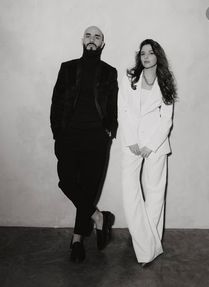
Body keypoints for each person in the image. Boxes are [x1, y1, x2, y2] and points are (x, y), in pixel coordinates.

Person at [50, 26, 118, 262]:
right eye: (88, 35)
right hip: (69, 136)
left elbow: (112, 106)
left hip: (97, 139)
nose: (92, 39)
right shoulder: (67, 68)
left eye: (97, 37)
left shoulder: (110, 72)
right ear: (82, 40)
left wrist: (110, 130)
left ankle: (77, 240)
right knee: (66, 182)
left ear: (102, 44)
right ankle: (99, 217)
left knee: (88, 188)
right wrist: (57, 132)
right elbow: (56, 101)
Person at [118, 39, 177, 267]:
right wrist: (132, 140)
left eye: (150, 53)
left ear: (157, 56)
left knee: (155, 194)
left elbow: (166, 119)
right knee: (130, 192)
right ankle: (147, 244)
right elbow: (122, 110)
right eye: (142, 53)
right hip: (130, 144)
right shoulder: (129, 79)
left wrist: (150, 145)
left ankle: (147, 248)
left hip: (156, 146)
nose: (146, 56)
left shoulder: (166, 81)